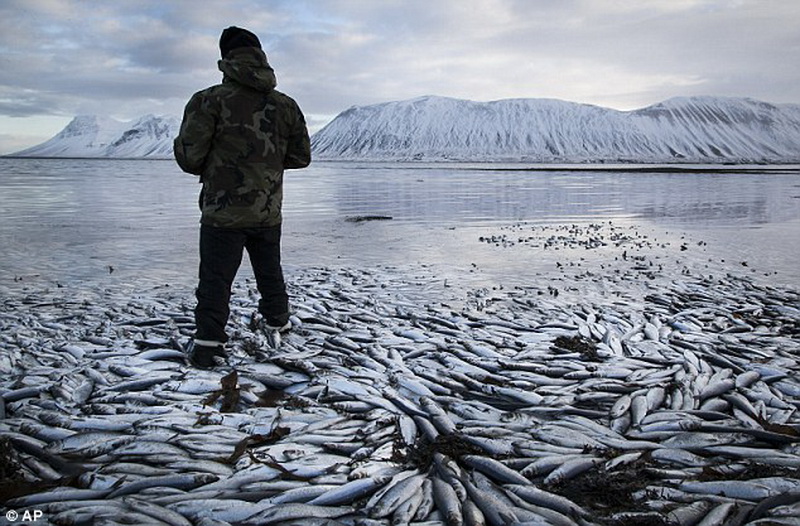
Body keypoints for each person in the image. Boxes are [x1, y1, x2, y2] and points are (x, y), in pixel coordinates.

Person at [174, 26, 311, 368]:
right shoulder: (286, 105)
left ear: (225, 59)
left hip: (223, 212)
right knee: (270, 271)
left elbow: (190, 158)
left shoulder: (208, 101)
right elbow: (301, 157)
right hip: (267, 209)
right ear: (260, 55)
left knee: (216, 279)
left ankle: (208, 344)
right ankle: (278, 320)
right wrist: (265, 168)